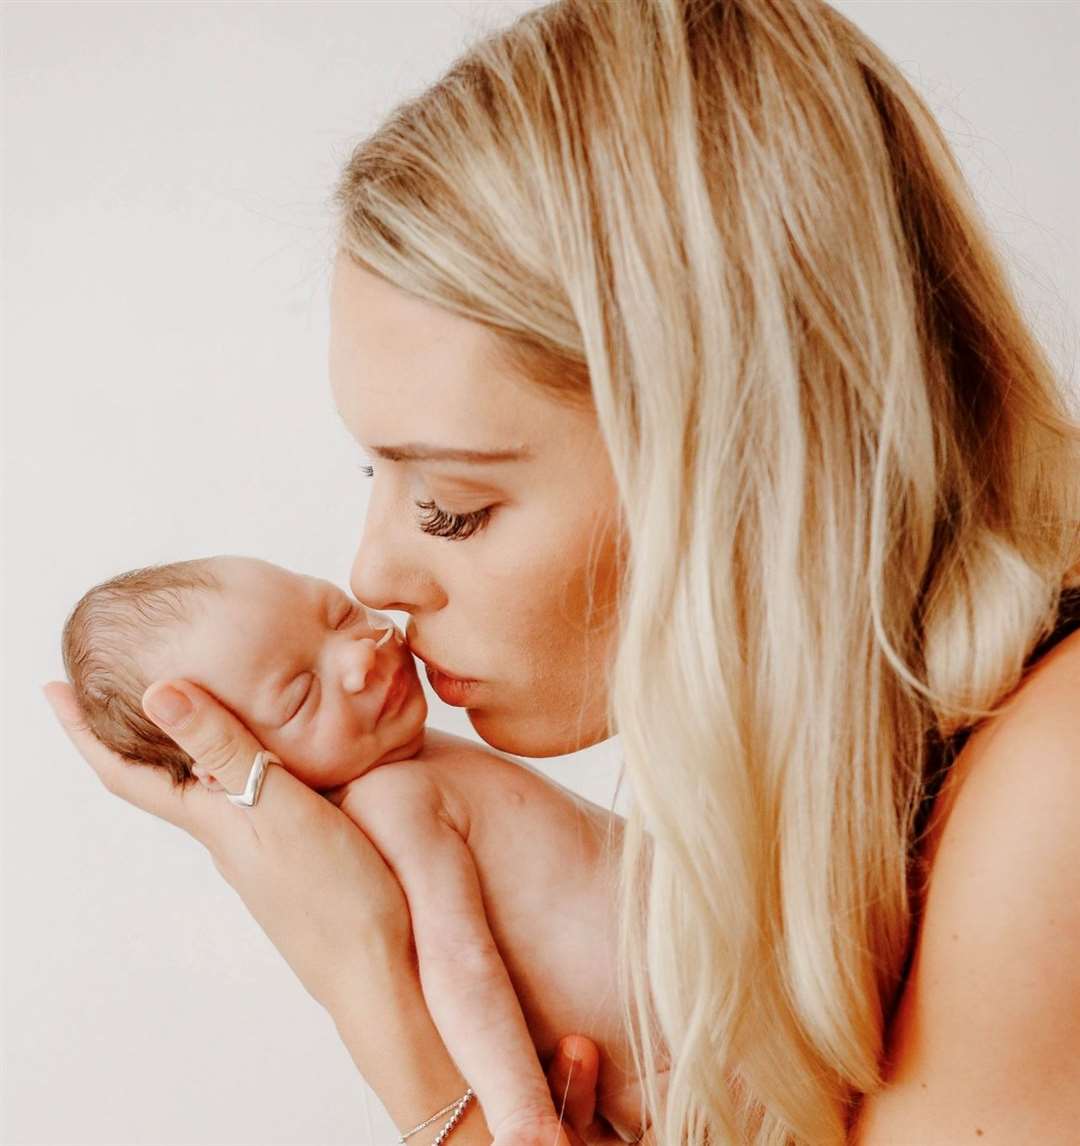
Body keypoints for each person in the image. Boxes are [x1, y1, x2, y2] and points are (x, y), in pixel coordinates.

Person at [43, 0, 1080, 1142]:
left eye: (451, 505)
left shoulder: (1052, 799)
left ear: (735, 461)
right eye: (374, 480)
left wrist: (377, 1000)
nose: (373, 572)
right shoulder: (830, 797)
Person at [58, 553, 649, 1142]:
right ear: (231, 763)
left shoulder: (414, 755)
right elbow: (459, 964)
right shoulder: (390, 802)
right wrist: (521, 1114)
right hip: (675, 1051)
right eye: (299, 698)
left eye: (339, 615)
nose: (360, 657)